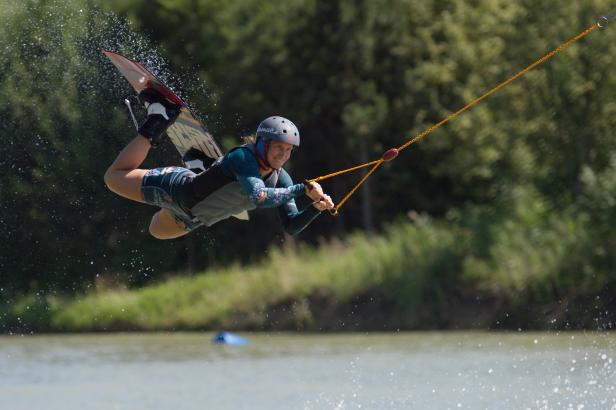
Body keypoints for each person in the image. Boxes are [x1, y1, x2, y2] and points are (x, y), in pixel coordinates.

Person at [104, 88, 334, 239]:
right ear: (263, 143)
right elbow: (259, 197)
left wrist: (315, 208)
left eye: (288, 150)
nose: (283, 155)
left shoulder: (281, 178)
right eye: (278, 147)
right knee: (113, 177)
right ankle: (159, 119)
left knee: (155, 230)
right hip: (176, 189)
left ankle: (206, 169)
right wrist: (301, 189)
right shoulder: (243, 158)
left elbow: (291, 226)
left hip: (192, 219)